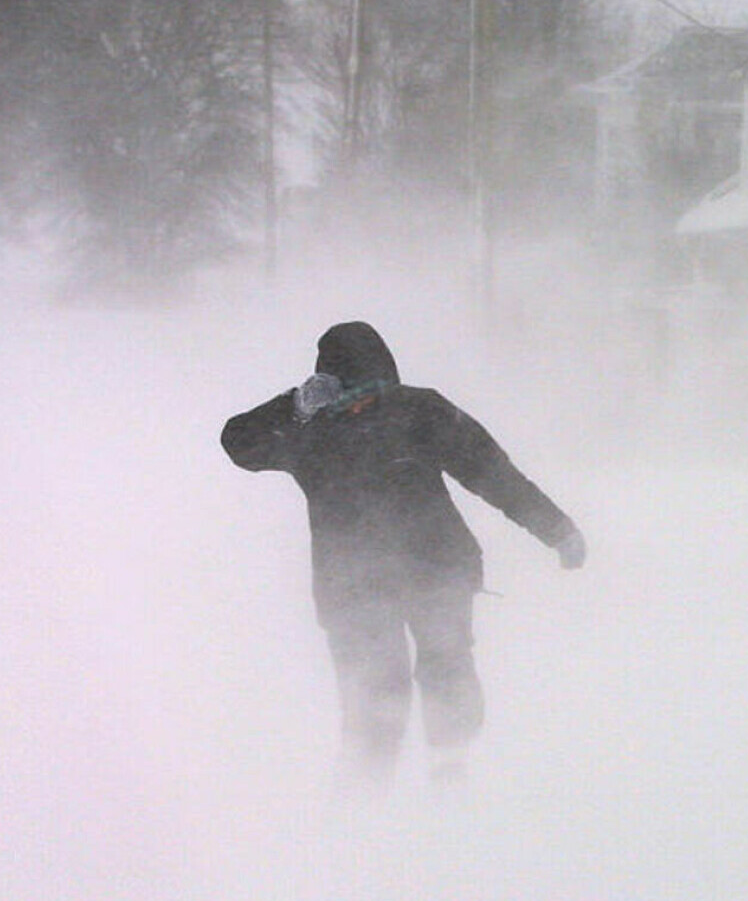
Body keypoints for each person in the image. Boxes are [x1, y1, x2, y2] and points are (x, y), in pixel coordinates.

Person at [221, 321, 586, 791]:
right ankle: (364, 807)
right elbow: (238, 442)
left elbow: (493, 475)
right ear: (327, 390)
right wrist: (293, 408)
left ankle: (451, 776)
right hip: (351, 589)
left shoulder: (420, 411)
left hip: (438, 569)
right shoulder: (308, 429)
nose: (362, 402)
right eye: (351, 393)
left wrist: (557, 530)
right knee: (374, 695)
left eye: (374, 390)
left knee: (447, 669)